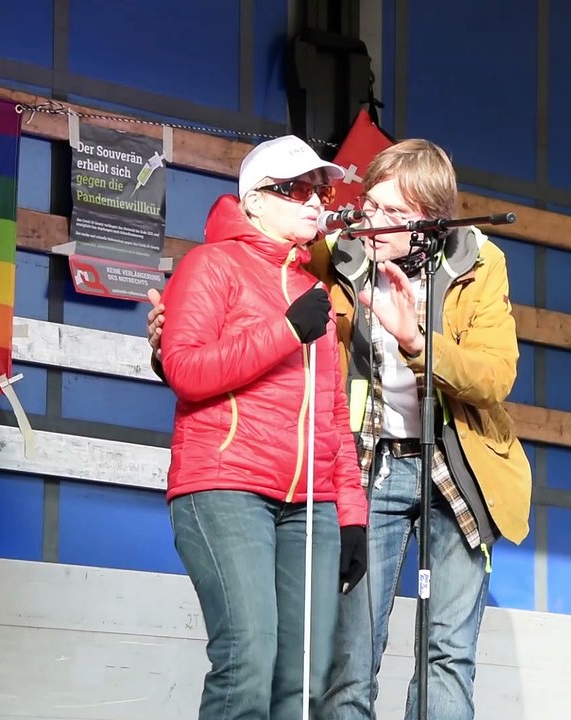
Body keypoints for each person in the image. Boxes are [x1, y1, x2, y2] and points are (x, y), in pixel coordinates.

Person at [149, 138, 532, 720]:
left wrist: (416, 342)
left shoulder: (479, 262)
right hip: (369, 460)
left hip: (457, 463)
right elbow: (246, 291)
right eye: (368, 204)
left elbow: (494, 376)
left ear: (431, 219)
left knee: (447, 655)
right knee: (344, 661)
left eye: (393, 213)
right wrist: (170, 334)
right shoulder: (337, 254)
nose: (368, 220)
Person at [157, 134, 370, 720]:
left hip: (310, 503)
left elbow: (332, 415)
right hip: (225, 486)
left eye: (319, 189)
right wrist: (285, 331)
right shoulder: (210, 265)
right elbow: (185, 369)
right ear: (252, 201)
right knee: (247, 660)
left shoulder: (316, 294)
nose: (314, 200)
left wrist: (350, 514)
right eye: (294, 188)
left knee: (302, 682)